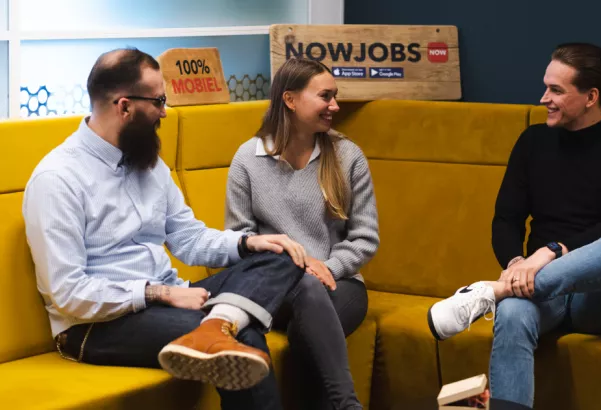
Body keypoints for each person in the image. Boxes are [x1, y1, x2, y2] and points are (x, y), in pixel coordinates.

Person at [22, 47, 310, 410]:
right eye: (158, 100)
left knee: (280, 257)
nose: (165, 111)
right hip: (95, 325)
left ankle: (215, 325)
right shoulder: (57, 179)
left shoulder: (147, 162)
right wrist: (158, 294)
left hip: (172, 297)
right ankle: (219, 327)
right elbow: (67, 293)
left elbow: (189, 238)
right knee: (245, 335)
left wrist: (249, 243)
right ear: (124, 106)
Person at [427, 43, 601, 407]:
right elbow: (506, 218)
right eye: (545, 86)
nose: (543, 98)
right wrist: (516, 265)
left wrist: (549, 254)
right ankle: (504, 293)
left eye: (556, 90)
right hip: (538, 290)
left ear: (591, 96)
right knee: (515, 311)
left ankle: (494, 292)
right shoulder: (532, 141)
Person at [224, 57, 380, 410]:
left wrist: (327, 267)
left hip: (340, 284)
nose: (335, 106)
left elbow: (365, 237)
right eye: (325, 96)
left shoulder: (347, 156)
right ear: (290, 100)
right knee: (305, 293)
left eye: (335, 96)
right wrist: (295, 265)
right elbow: (239, 238)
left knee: (307, 322)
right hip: (274, 287)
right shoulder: (247, 159)